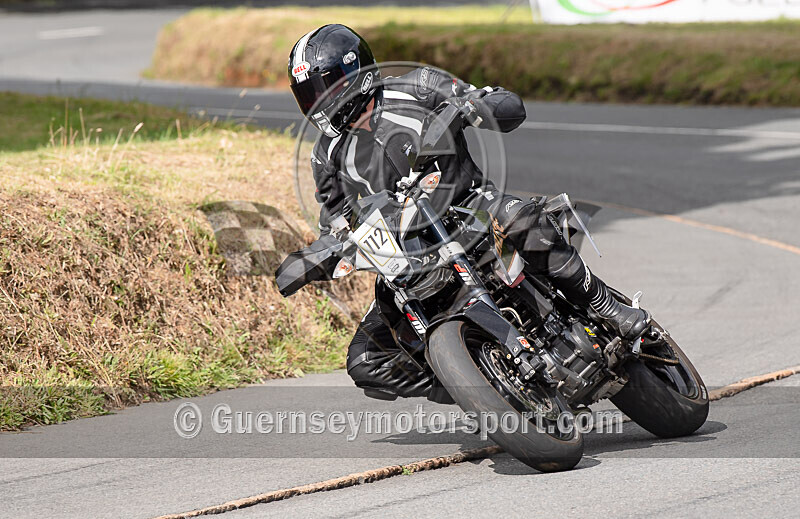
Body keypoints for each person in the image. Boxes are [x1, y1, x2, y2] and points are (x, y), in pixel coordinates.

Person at [287, 24, 649, 399]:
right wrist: (322, 253)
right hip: (408, 257)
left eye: (323, 87)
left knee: (517, 219)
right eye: (307, 93)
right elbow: (334, 219)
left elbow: (509, 105)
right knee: (366, 360)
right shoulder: (326, 155)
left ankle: (601, 303)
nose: (317, 100)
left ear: (355, 69)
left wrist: (473, 106)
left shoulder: (419, 85)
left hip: (472, 211)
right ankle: (485, 385)